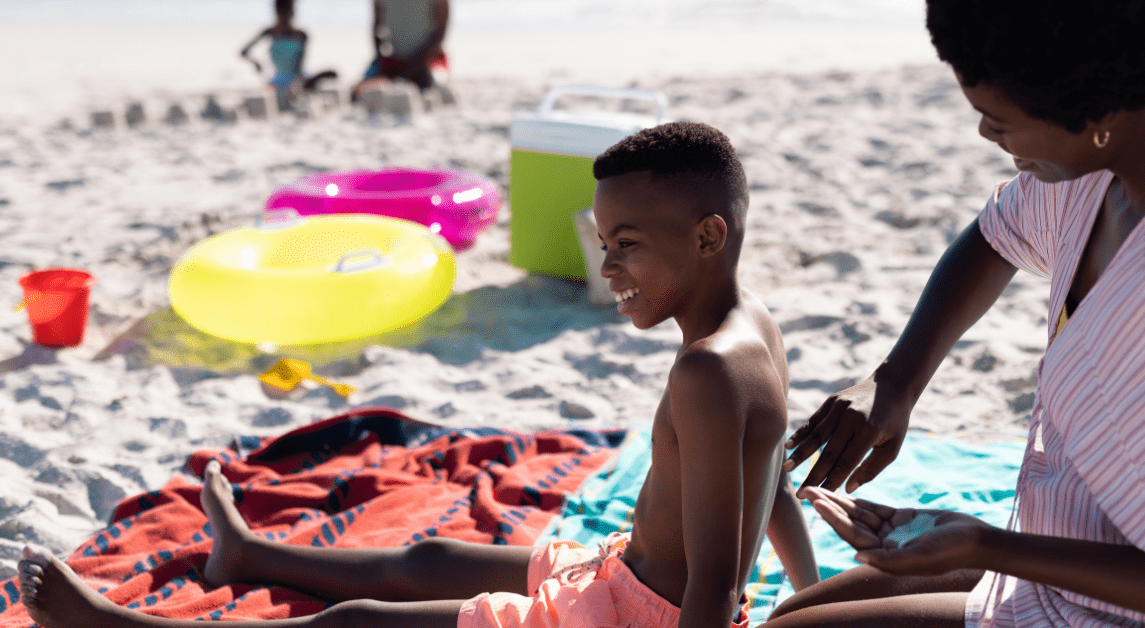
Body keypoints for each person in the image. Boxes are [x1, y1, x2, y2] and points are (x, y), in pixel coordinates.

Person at [15, 121, 820, 628]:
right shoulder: (751, 330)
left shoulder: (709, 372)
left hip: (629, 614)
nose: (608, 266)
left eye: (629, 244)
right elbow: (769, 475)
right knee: (432, 558)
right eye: (605, 242)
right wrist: (805, 590)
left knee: (360, 621)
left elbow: (712, 589)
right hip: (625, 575)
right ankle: (252, 555)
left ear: (708, 236)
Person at [765, 0, 1145, 627]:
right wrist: (898, 380)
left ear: (1097, 110)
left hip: (1134, 606)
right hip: (1064, 553)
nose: (985, 136)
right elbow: (996, 235)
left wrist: (988, 545)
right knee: (797, 613)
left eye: (999, 120)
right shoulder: (1102, 170)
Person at [239, 0, 337, 106]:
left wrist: (296, 84)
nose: (285, 16)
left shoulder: (301, 35)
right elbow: (243, 52)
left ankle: (300, 88)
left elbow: (300, 66)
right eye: (282, 12)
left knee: (332, 73)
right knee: (271, 92)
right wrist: (256, 63)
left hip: (298, 78)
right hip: (278, 79)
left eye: (287, 12)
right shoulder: (270, 32)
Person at [353, 0, 450, 97]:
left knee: (432, 87)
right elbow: (377, 26)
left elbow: (440, 32)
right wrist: (381, 62)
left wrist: (409, 71)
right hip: (393, 59)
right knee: (359, 91)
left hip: (429, 60)